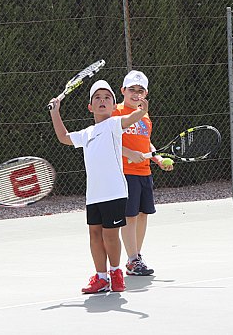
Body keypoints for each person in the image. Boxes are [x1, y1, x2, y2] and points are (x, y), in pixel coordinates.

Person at [49, 79, 148, 294]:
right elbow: (64, 137)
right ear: (90, 107)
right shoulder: (87, 133)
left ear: (114, 106)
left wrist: (142, 110)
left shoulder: (114, 124)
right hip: (93, 195)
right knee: (95, 234)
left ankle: (116, 273)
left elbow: (132, 117)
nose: (102, 101)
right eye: (97, 98)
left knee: (110, 235)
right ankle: (101, 278)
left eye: (107, 98)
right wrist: (55, 112)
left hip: (114, 193)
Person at [113, 70, 173, 277]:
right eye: (132, 90)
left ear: (146, 94)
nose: (136, 94)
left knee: (142, 214)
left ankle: (137, 255)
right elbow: (107, 140)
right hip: (125, 172)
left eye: (140, 90)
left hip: (144, 171)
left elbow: (147, 142)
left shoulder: (145, 115)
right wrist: (129, 153)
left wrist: (156, 158)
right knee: (129, 216)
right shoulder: (116, 112)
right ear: (123, 90)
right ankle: (132, 260)